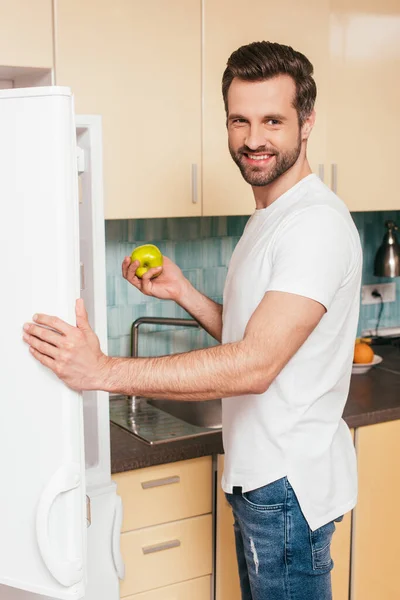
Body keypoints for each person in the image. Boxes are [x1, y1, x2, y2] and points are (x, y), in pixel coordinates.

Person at [23, 41, 362, 600]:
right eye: (240, 120)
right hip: (265, 484)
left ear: (307, 122)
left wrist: (102, 370)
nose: (253, 139)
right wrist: (184, 293)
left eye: (273, 120)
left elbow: (253, 365)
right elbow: (257, 335)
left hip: (288, 492)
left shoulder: (315, 227)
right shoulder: (272, 215)